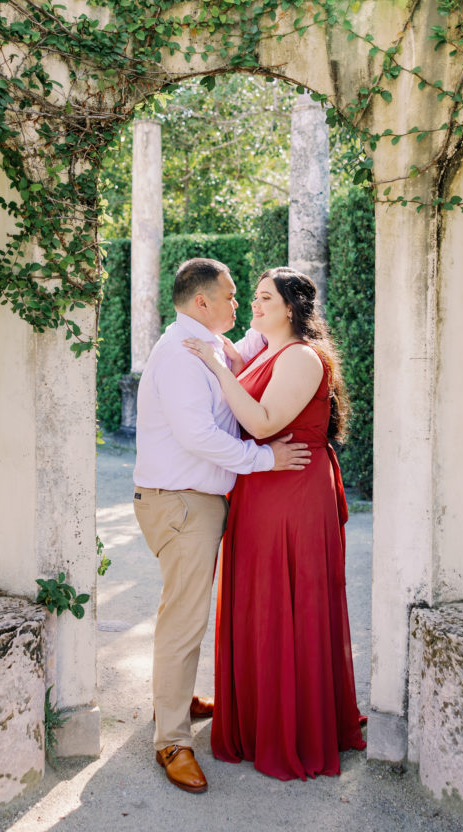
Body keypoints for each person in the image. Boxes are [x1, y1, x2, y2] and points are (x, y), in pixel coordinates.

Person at [133, 257, 311, 795]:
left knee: (184, 612)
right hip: (181, 502)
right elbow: (199, 438)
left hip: (193, 499)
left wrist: (272, 322)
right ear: (203, 302)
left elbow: (256, 349)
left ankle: (176, 694)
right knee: (184, 619)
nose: (241, 306)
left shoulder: (205, 344)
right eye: (234, 297)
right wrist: (266, 462)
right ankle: (172, 741)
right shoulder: (180, 356)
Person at [182, 266, 366, 781]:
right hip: (261, 489)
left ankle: (294, 727)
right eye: (255, 298)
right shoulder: (268, 350)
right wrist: (220, 353)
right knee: (261, 601)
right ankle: (260, 713)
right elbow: (244, 362)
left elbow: (262, 422)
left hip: (294, 493)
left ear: (291, 307)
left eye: (263, 299)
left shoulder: (304, 357)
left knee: (292, 600)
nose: (254, 306)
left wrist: (219, 372)